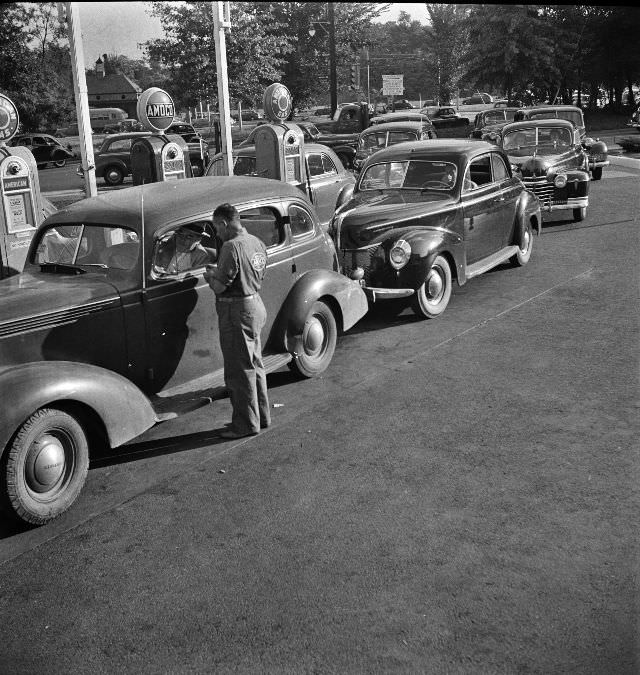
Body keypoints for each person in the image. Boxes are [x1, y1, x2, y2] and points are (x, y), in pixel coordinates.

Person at [205, 203, 270, 439]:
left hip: (236, 311)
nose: (217, 233)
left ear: (224, 223)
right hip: (254, 305)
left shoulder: (230, 247)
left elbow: (221, 286)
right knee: (255, 365)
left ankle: (244, 425)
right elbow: (258, 272)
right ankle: (261, 417)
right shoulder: (256, 242)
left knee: (238, 371)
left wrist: (210, 277)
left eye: (216, 228)